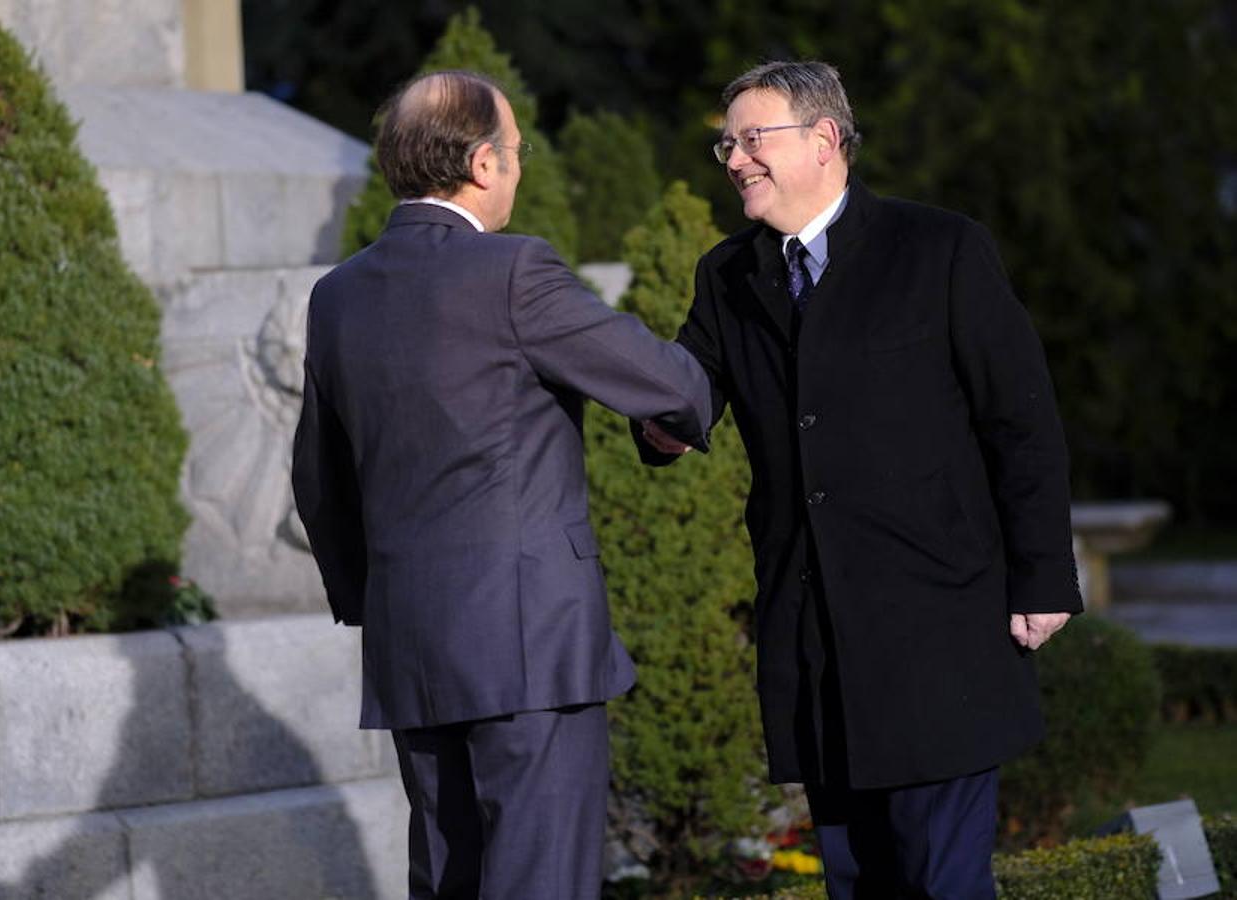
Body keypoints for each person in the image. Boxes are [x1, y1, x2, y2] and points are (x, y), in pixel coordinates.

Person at [638, 61, 1082, 898]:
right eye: (726, 144)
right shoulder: (727, 276)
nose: (734, 159)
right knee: (856, 881)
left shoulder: (940, 248)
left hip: (937, 629)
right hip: (813, 640)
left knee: (943, 882)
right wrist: (659, 422)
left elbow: (1020, 423)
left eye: (751, 139)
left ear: (825, 140)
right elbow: (687, 387)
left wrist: (1044, 578)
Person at [291, 70, 711, 900]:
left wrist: (374, 598)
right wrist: (672, 414)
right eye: (516, 151)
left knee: (448, 880)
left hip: (412, 645)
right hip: (529, 645)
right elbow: (674, 386)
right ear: (483, 164)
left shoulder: (336, 296)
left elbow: (318, 476)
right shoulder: (514, 270)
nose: (517, 165)